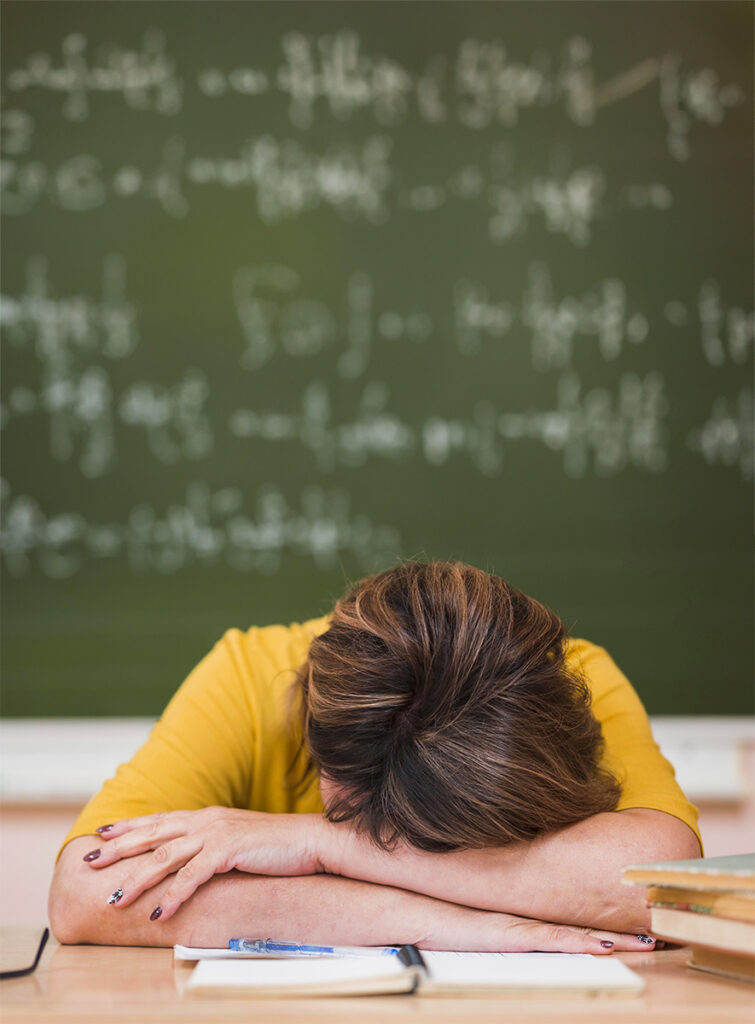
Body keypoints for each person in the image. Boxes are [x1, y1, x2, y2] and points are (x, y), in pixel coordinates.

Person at [48, 561, 701, 951]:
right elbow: (83, 894)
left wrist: (330, 846)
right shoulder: (249, 679)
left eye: (438, 841)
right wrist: (428, 922)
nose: (398, 844)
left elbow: (667, 885)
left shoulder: (570, 685)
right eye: (370, 822)